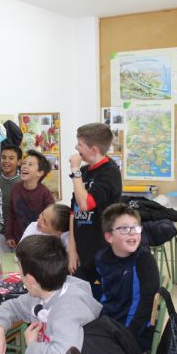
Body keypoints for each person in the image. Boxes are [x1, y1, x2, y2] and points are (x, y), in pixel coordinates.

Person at [68, 123, 122, 299]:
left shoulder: (110, 172)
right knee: (80, 300)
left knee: (101, 302)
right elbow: (74, 211)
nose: (76, 148)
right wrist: (72, 250)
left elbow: (85, 204)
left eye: (80, 145)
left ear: (93, 149)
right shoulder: (83, 172)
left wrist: (75, 170)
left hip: (103, 252)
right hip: (82, 252)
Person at [95, 203, 159, 352]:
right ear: (109, 237)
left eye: (136, 228)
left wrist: (127, 336)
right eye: (124, 229)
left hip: (135, 331)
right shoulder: (101, 258)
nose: (132, 233)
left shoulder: (144, 260)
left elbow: (146, 303)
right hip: (108, 325)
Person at [5, 149, 54, 248]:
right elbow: (11, 213)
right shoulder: (15, 188)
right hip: (18, 240)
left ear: (39, 173)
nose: (25, 166)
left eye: (30, 164)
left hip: (38, 242)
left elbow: (50, 220)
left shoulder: (45, 193)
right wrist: (9, 235)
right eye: (24, 163)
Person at [0, 144, 22, 252]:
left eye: (11, 158)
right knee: (2, 265)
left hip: (18, 235)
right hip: (0, 233)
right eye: (3, 157)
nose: (6, 161)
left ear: (19, 162)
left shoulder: (22, 183)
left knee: (18, 266)